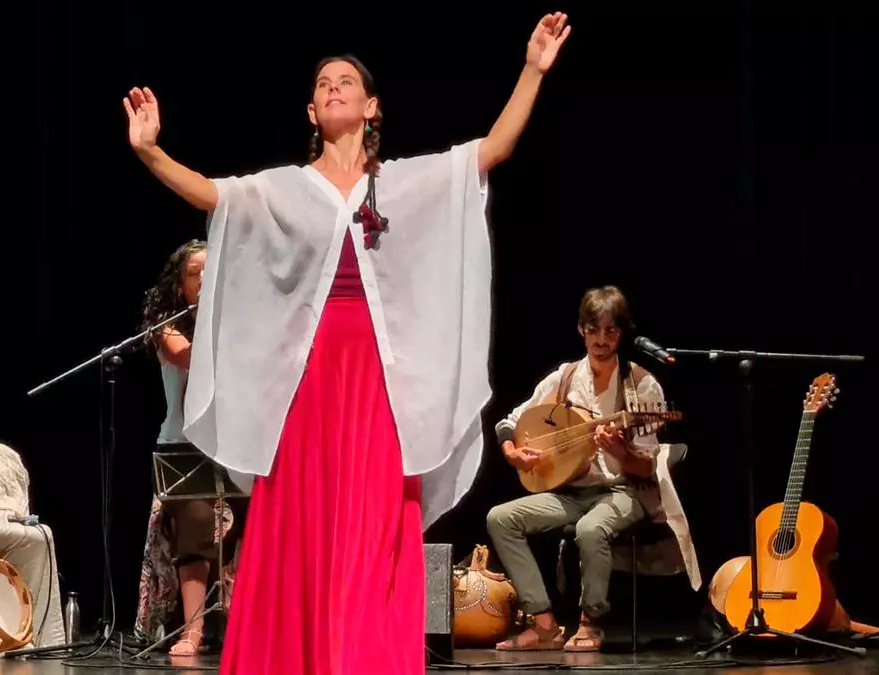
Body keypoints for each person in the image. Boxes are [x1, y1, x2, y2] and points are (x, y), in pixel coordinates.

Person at [123, 12, 572, 673]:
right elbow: (215, 196)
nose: (334, 88)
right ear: (312, 110)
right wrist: (150, 152)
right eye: (322, 84)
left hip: (377, 378)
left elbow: (491, 151)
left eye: (346, 82)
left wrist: (532, 70)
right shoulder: (285, 188)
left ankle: (364, 654)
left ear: (371, 106)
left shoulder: (400, 183)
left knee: (375, 514)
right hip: (306, 377)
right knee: (300, 513)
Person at [485, 285, 666, 652]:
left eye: (611, 330)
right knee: (500, 518)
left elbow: (647, 467)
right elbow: (510, 421)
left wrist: (621, 452)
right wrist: (512, 453)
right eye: (593, 330)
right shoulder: (565, 378)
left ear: (621, 333)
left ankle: (590, 622)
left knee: (590, 529)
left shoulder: (641, 385)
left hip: (622, 490)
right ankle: (544, 625)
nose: (601, 340)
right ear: (581, 330)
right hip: (570, 491)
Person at [133, 239, 242, 657]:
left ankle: (243, 621)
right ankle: (193, 631)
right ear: (180, 286)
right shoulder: (168, 326)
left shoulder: (240, 322)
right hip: (184, 448)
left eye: (212, 270)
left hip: (236, 445)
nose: (205, 278)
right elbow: (189, 358)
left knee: (254, 522)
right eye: (195, 273)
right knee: (196, 526)